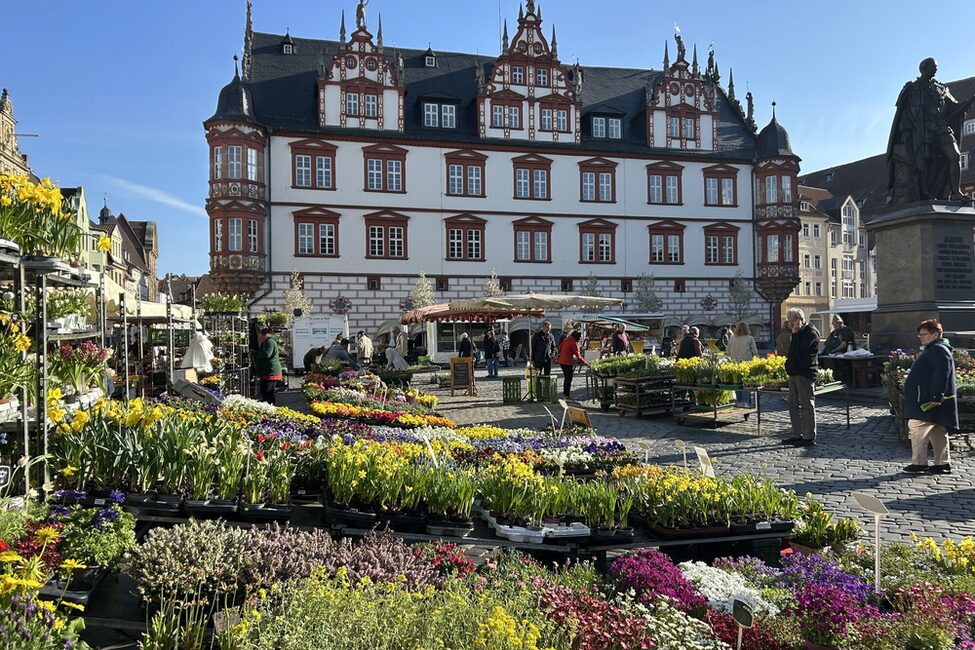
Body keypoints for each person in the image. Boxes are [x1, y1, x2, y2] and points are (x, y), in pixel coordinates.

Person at [887, 57, 974, 206]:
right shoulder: (913, 88)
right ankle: (925, 194)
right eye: (933, 67)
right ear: (924, 69)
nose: (936, 70)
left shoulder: (940, 88)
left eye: (936, 67)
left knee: (954, 155)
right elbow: (904, 115)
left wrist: (968, 102)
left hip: (940, 126)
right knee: (925, 163)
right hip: (921, 131)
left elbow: (954, 106)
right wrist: (905, 133)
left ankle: (955, 192)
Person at [903, 319, 958, 474]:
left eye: (924, 334)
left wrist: (935, 397)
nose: (921, 337)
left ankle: (919, 463)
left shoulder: (938, 350)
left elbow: (941, 375)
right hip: (931, 399)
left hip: (929, 401)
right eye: (919, 334)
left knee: (916, 426)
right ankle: (942, 463)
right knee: (937, 430)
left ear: (935, 334)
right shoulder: (936, 349)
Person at [782, 308, 820, 447]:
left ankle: (808, 436)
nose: (790, 325)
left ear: (799, 320)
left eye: (792, 322)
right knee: (792, 404)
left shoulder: (811, 332)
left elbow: (800, 352)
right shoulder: (796, 333)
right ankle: (796, 434)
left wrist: (796, 334)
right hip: (794, 373)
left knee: (806, 405)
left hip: (805, 373)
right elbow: (791, 351)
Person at [727, 321, 758, 407]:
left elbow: (727, 352)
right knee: (746, 384)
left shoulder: (732, 339)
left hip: (735, 364)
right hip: (747, 364)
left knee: (737, 384)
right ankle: (744, 402)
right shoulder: (750, 338)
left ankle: (739, 401)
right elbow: (755, 352)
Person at [253, 327, 283, 404]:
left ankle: (270, 408)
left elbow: (266, 355)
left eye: (260, 337)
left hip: (270, 372)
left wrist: (255, 353)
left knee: (267, 393)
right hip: (268, 372)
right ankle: (270, 407)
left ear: (265, 335)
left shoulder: (270, 342)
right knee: (267, 393)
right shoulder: (267, 342)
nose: (259, 339)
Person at [558, 330, 590, 398]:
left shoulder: (566, 340)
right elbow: (578, 356)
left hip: (561, 361)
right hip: (567, 362)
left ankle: (566, 394)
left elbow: (560, 348)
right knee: (568, 379)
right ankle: (566, 395)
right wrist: (586, 363)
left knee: (566, 378)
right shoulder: (573, 342)